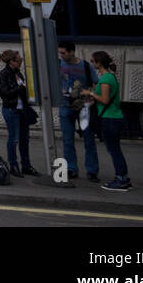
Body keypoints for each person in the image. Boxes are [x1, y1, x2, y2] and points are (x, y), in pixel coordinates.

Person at [81, 50, 131, 191]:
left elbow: (104, 99)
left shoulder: (105, 79)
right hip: (113, 117)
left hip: (110, 119)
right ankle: (123, 178)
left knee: (114, 150)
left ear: (99, 63)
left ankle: (121, 179)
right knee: (115, 149)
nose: (91, 63)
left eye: (93, 61)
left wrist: (89, 93)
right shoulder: (109, 77)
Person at [58, 41, 100, 181]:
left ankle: (92, 171)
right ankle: (71, 168)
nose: (61, 55)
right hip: (65, 105)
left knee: (89, 140)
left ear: (71, 52)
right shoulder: (58, 65)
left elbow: (96, 84)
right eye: (60, 52)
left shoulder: (86, 66)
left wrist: (92, 98)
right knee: (67, 140)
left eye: (63, 52)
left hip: (83, 107)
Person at [0, 49, 38, 178]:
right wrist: (21, 88)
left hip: (22, 110)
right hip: (11, 109)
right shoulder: (3, 75)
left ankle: (26, 165)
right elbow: (5, 93)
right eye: (19, 61)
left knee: (24, 139)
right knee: (14, 139)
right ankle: (13, 165)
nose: (21, 63)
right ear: (11, 62)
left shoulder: (18, 73)